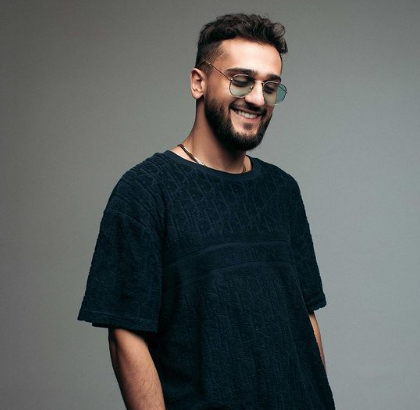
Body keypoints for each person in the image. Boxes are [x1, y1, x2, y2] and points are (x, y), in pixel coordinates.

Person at [78, 13, 335, 410]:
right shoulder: (145, 190)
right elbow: (125, 335)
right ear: (198, 82)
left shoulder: (282, 190)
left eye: (270, 87)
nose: (257, 99)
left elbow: (305, 316)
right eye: (241, 80)